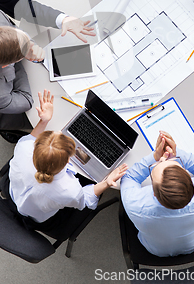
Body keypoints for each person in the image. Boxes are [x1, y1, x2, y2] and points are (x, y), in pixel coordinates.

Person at [8, 90, 127, 230]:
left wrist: (44, 121)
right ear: (68, 161)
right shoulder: (69, 190)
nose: (59, 131)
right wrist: (107, 183)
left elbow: (31, 139)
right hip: (37, 217)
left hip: (14, 192)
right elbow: (86, 199)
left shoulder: (24, 148)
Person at [120, 131, 194, 257]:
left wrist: (154, 158)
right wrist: (176, 154)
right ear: (189, 178)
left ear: (153, 192)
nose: (163, 159)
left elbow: (128, 178)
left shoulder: (135, 205)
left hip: (155, 250)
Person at [0, 6, 49, 131]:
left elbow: (13, 29)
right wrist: (20, 57)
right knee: (41, 121)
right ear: (6, 64)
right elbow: (26, 100)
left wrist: (29, 43)